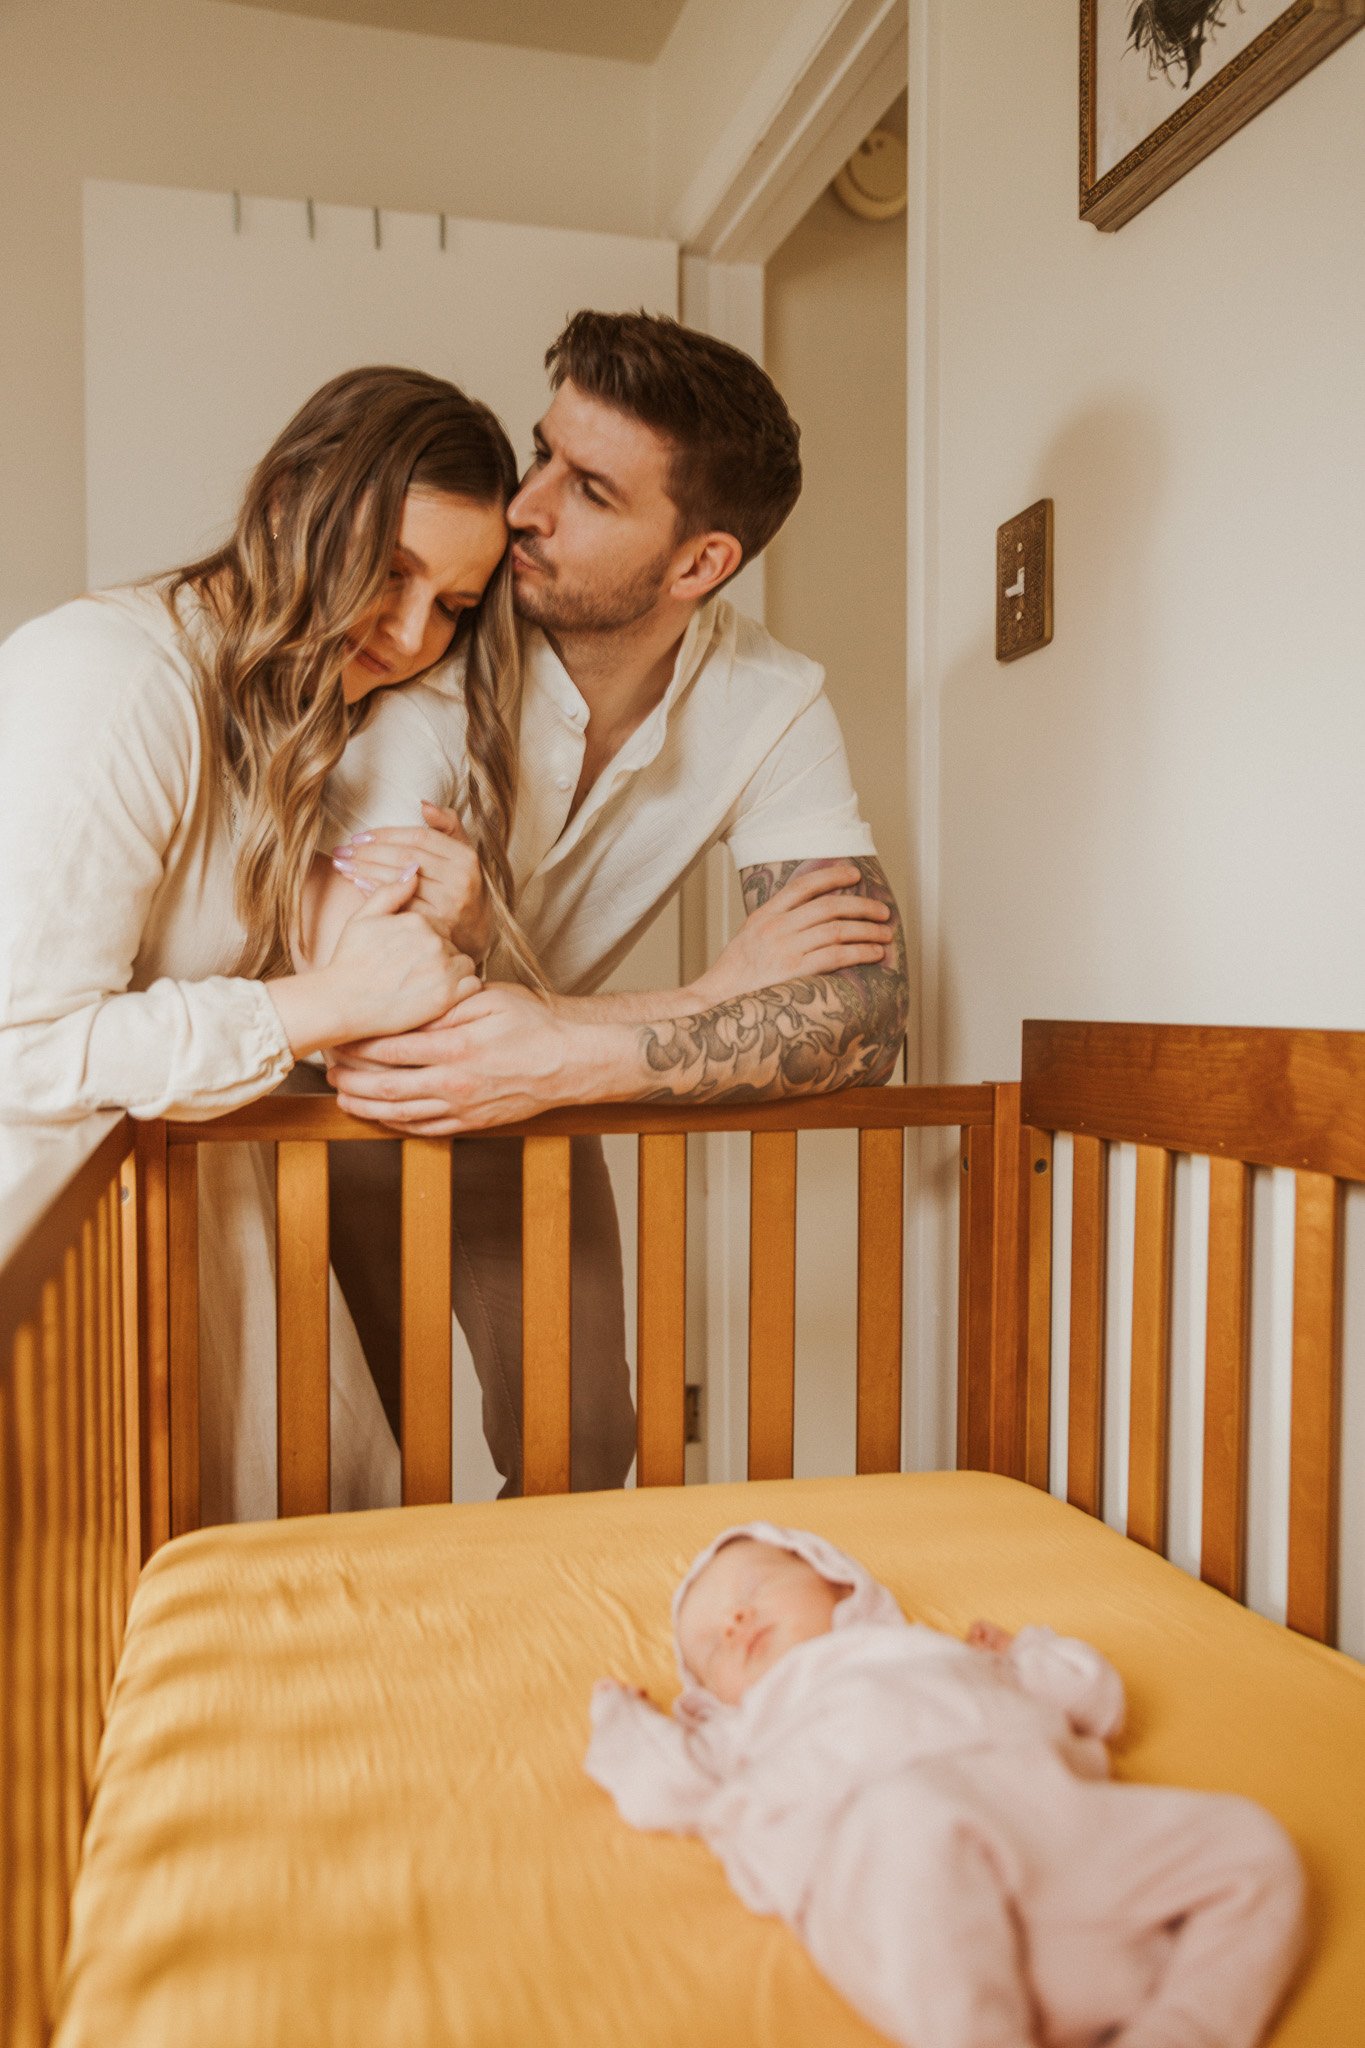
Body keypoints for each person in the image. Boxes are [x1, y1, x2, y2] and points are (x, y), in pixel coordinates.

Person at [306, 312, 910, 1492]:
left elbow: (867, 1015)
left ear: (700, 564)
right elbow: (387, 1002)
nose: (524, 506)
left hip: (533, 1080)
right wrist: (707, 995)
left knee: (585, 1442)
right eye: (541, 455)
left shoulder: (773, 701)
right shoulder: (431, 638)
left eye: (587, 487)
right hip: (329, 1080)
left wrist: (572, 1054)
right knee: (357, 1458)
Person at [0, 365, 523, 1519]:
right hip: (46, 1258)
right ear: (289, 499)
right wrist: (322, 1004)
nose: (409, 631)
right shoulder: (116, 676)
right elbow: (19, 1048)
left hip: (198, 1232)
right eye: (391, 574)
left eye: (453, 604)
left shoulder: (288, 722)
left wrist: (454, 928)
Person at [585, 1524, 1307, 2048]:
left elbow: (1095, 1699)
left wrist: (1023, 1652)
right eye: (710, 1643)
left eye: (753, 1587)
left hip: (1056, 1841)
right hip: (907, 1894)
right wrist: (621, 1719)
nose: (734, 1620)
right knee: (908, 1816)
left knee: (1252, 1844)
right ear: (710, 1696)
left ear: (837, 1579)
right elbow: (661, 1782)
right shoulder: (745, 1726)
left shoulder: (937, 1652)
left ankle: (1182, 2029)